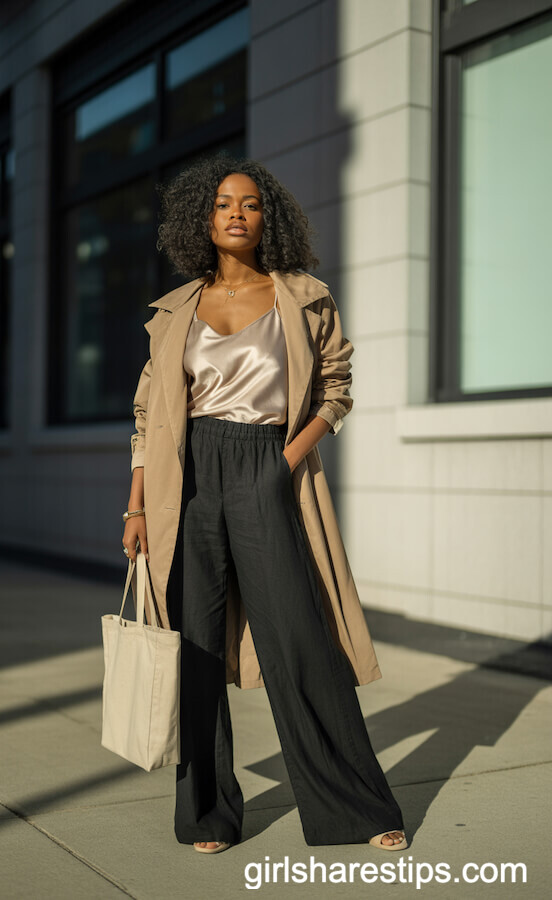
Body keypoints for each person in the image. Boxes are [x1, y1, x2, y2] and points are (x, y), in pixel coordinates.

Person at [122, 154, 407, 855]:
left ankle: (356, 810)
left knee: (300, 640)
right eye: (223, 204)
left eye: (249, 203)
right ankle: (207, 815)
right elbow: (147, 417)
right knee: (194, 647)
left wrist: (281, 464)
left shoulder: (303, 297)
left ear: (266, 215)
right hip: (185, 481)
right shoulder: (175, 312)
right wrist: (135, 510)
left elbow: (337, 388)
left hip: (263, 464)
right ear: (204, 219)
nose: (237, 213)